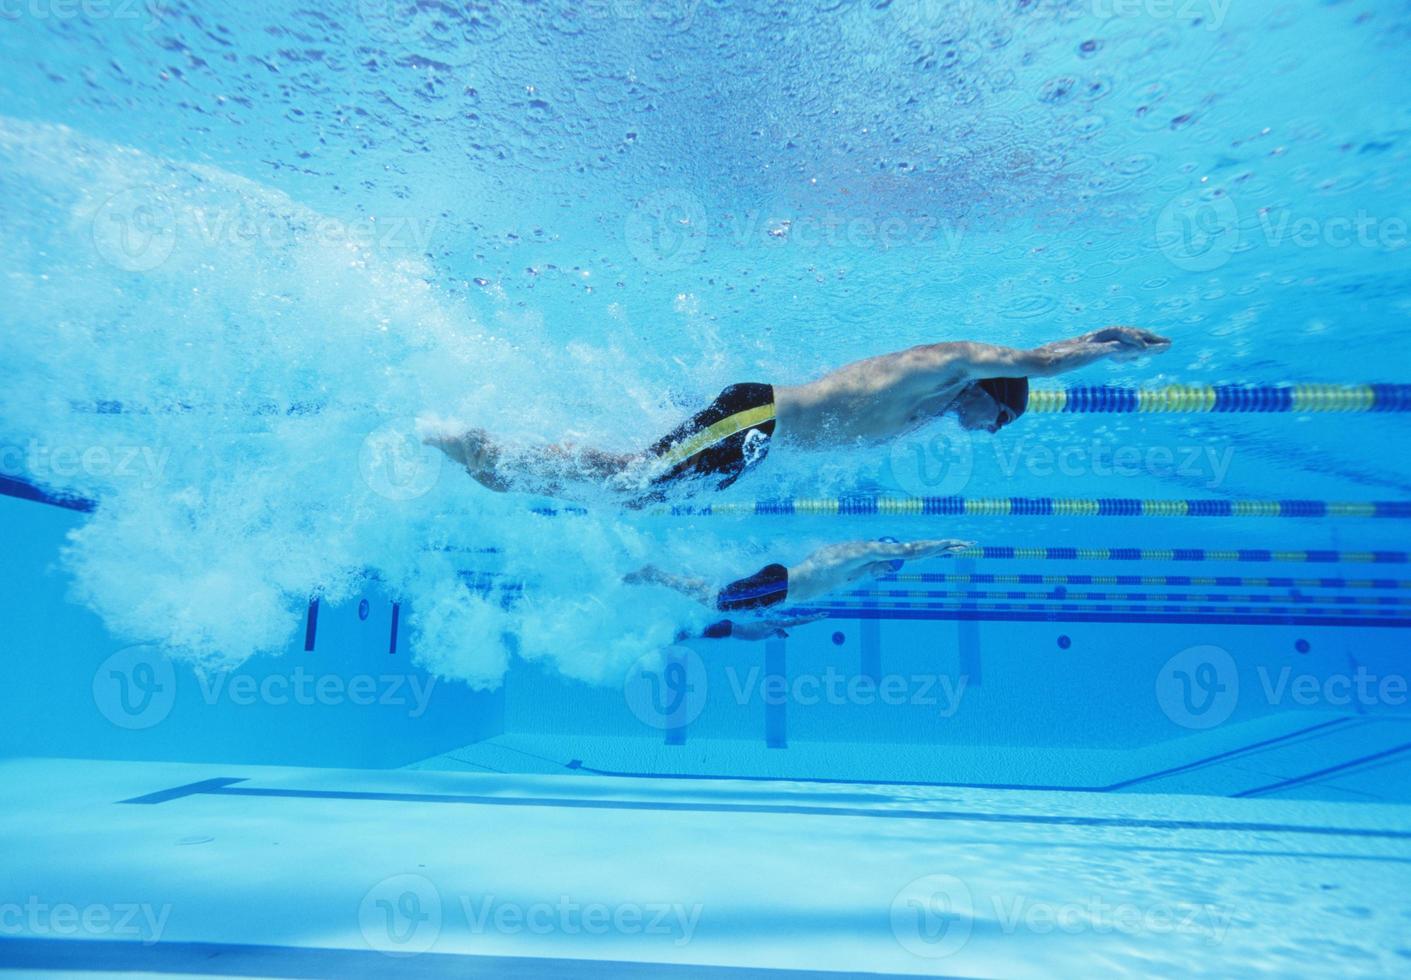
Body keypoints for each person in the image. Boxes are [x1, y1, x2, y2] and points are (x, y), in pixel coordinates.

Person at [424, 326, 1170, 502]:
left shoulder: (932, 411)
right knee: (634, 485)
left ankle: (508, 462)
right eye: (1002, 421)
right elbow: (1032, 361)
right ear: (992, 392)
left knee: (639, 487)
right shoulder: (933, 373)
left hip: (756, 442)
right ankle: (494, 455)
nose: (989, 433)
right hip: (757, 421)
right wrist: (1098, 346)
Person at [626, 537, 975, 641]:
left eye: (891, 569)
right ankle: (656, 574)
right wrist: (939, 546)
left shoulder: (858, 574)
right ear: (882, 553)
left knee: (721, 606)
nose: (887, 570)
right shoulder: (853, 553)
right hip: (778, 584)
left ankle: (664, 577)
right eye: (889, 565)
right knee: (718, 602)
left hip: (777, 593)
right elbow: (906, 552)